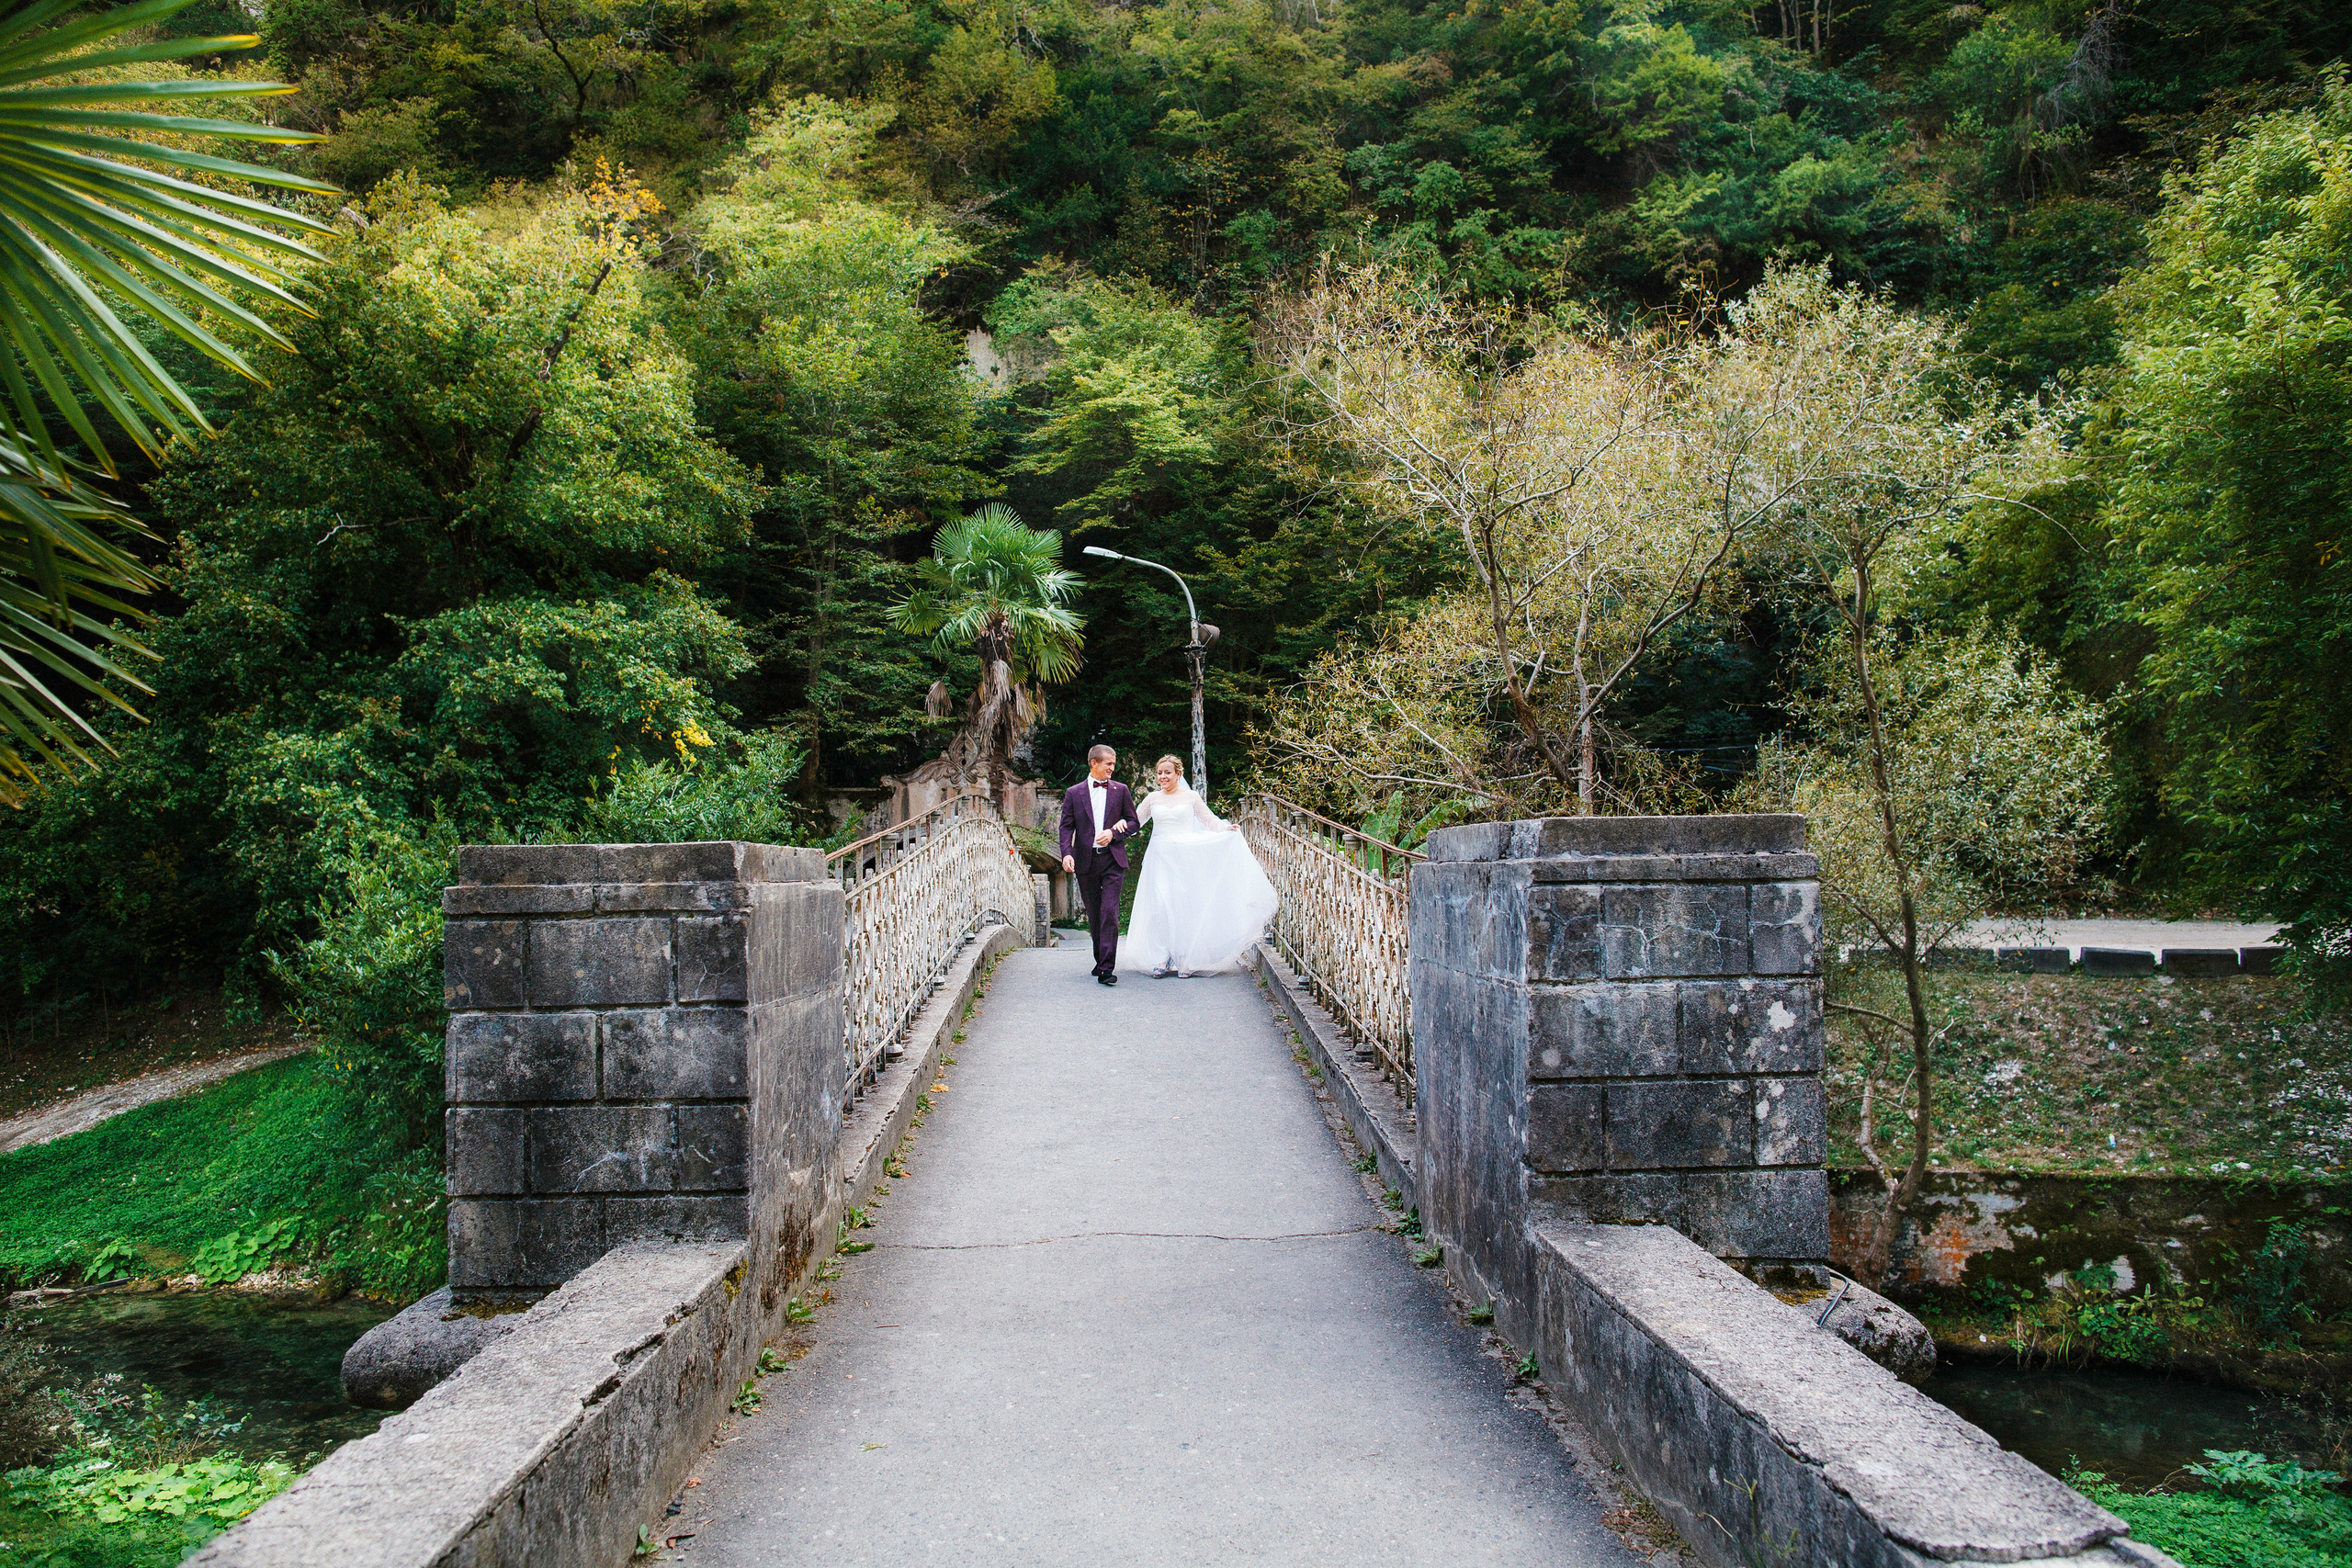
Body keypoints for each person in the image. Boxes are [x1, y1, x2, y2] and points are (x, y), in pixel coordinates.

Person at [1127, 754, 1278, 977]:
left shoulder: (1191, 797)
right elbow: (1134, 822)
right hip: (1160, 858)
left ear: (1178, 774)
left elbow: (1208, 820)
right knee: (1161, 906)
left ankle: (1185, 958)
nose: (1163, 777)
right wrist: (1114, 830)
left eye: (1167, 772)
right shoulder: (1152, 798)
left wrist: (1225, 829)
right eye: (1159, 773)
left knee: (1184, 906)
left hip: (1185, 858)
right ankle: (1161, 958)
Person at [1059, 745, 1141, 985]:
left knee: (1109, 912)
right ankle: (1100, 960)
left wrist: (1114, 833)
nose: (1112, 768)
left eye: (1114, 764)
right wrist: (1066, 854)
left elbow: (1133, 822)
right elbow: (1066, 827)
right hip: (1085, 861)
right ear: (1094, 763)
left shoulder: (1121, 790)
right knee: (1094, 914)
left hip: (1113, 860)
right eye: (1109, 764)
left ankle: (1106, 968)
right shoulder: (1073, 793)